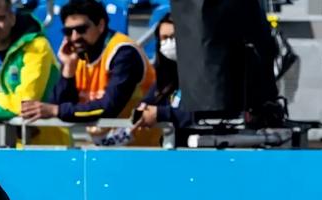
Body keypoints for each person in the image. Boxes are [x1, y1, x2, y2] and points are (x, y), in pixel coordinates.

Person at [20, 0, 158, 146]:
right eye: (68, 31)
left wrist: (56, 110)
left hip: (147, 150)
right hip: (107, 150)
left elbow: (108, 108)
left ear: (100, 25)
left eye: (81, 29)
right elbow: (60, 104)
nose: (74, 38)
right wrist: (68, 69)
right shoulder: (79, 55)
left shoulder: (123, 53)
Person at [0, 0, 68, 145]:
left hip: (47, 144)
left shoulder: (37, 46)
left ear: (12, 18)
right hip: (0, 144)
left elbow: (25, 102)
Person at [132, 13, 193, 146]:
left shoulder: (203, 76)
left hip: (202, 151)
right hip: (172, 150)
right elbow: (147, 102)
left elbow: (201, 116)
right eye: (163, 38)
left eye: (173, 37)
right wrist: (143, 109)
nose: (168, 43)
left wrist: (161, 113)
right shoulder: (166, 76)